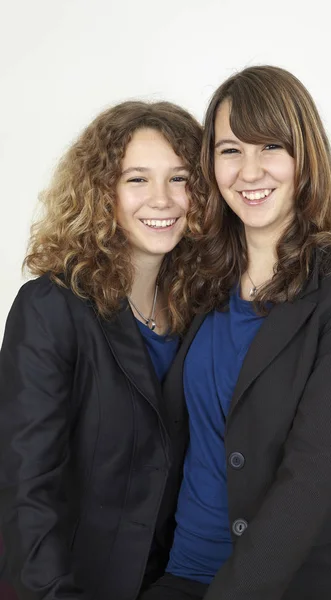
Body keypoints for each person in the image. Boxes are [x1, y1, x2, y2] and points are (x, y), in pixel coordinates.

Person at [141, 66, 331, 599]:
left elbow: (314, 473)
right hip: (184, 570)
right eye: (231, 150)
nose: (249, 171)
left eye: (271, 146)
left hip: (299, 582)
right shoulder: (193, 277)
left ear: (305, 157)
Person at [0, 100, 203, 600]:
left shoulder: (201, 309)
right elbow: (25, 492)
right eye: (137, 179)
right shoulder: (50, 307)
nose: (163, 199)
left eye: (179, 179)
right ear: (101, 192)